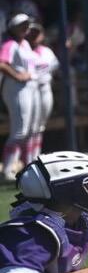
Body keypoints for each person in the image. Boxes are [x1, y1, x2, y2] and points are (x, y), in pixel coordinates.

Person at [0, 14, 39, 181]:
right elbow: (2, 63)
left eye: (27, 24)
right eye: (21, 25)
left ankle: (27, 166)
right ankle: (7, 169)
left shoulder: (25, 44)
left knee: (30, 130)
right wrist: (17, 75)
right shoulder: (10, 43)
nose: (25, 27)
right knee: (20, 130)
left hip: (29, 87)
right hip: (16, 88)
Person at [25, 23, 57, 163]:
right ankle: (28, 159)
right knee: (30, 126)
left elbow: (56, 68)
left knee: (40, 126)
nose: (35, 36)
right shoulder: (23, 50)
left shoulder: (47, 51)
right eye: (32, 33)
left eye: (37, 33)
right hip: (30, 89)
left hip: (45, 88)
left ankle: (35, 158)